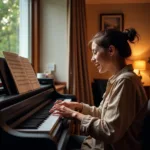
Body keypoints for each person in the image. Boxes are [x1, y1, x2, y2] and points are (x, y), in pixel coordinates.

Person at [50, 28, 148, 150]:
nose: (92, 58)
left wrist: (75, 115)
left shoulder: (125, 81)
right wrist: (78, 106)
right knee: (55, 142)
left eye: (95, 52)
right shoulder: (118, 79)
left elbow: (109, 131)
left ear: (111, 50)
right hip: (97, 144)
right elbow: (103, 114)